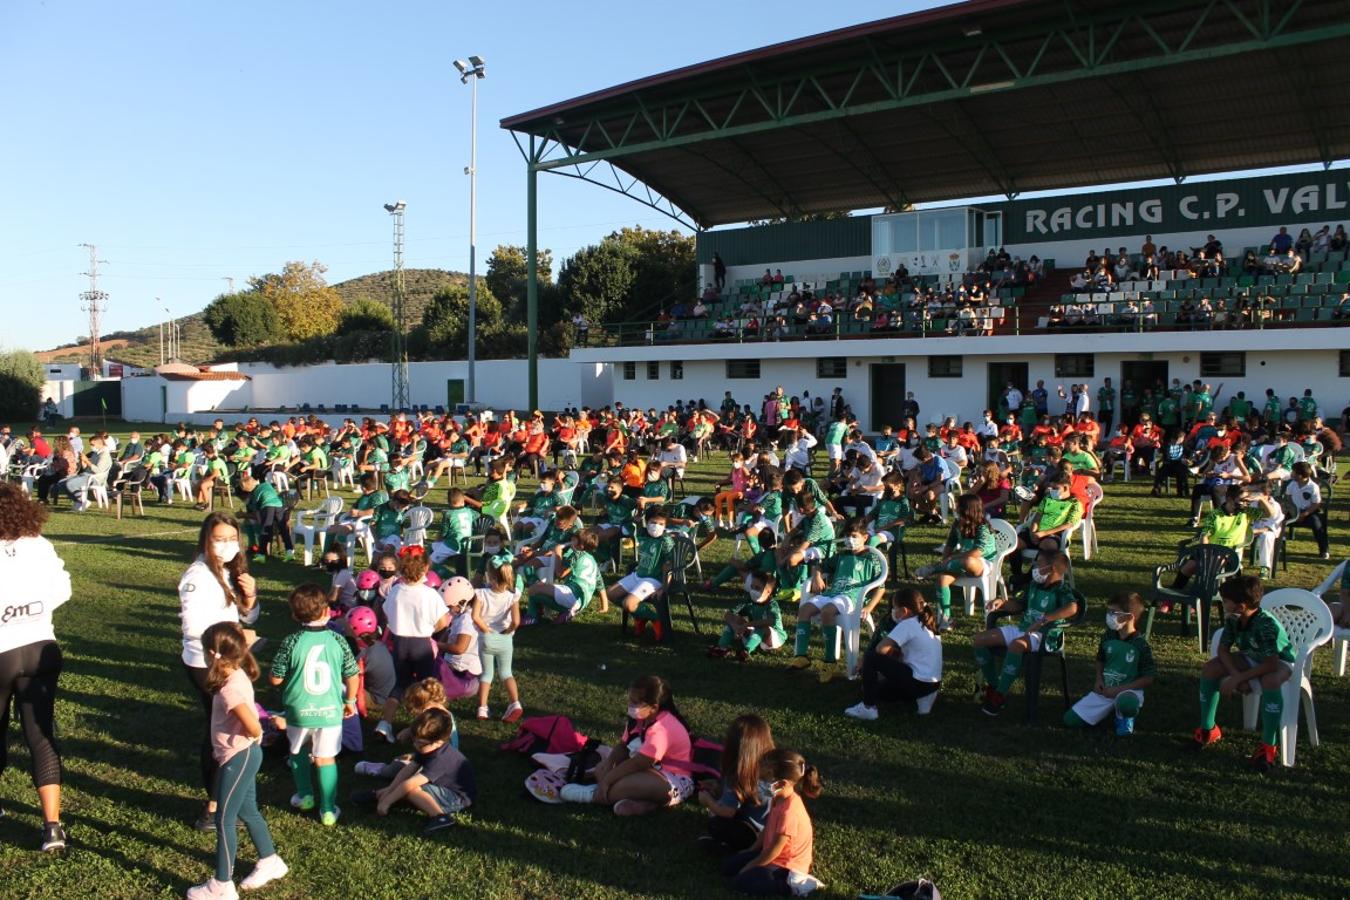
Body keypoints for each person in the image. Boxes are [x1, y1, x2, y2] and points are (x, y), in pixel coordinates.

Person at [190, 622, 287, 898]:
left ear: (212, 653)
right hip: (240, 755)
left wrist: (255, 735)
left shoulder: (229, 689)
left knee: (224, 819)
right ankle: (270, 861)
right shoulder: (236, 675)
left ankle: (221, 885)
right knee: (247, 811)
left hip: (239, 757)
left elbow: (253, 725)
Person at [0, 482, 71, 852]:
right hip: (41, 645)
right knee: (41, 736)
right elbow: (63, 589)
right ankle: (53, 827)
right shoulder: (39, 544)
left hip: (2, 650)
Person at [179, 512, 259, 833]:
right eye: (219, 539)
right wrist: (236, 641)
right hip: (207, 664)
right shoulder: (197, 578)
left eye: (231, 539)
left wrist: (251, 595)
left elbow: (247, 615)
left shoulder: (226, 570)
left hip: (228, 659)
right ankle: (213, 807)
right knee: (222, 733)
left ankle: (225, 799)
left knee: (225, 729)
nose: (227, 545)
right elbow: (195, 630)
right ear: (205, 540)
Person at [268, 584, 360, 827]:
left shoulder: (291, 641)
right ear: (327, 611)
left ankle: (305, 795)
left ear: (295, 615)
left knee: (297, 752)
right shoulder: (338, 640)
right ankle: (328, 809)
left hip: (299, 710)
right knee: (325, 758)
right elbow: (352, 675)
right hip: (330, 710)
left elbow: (275, 678)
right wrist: (349, 700)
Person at [1191, 576, 1295, 773]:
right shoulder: (1233, 619)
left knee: (1270, 680)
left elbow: (1270, 664)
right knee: (1210, 669)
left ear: (1240, 606)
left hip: (1279, 661)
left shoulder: (1265, 625)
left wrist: (1239, 678)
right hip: (1251, 657)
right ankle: (1208, 729)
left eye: (1225, 601)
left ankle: (1268, 746)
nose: (1223, 603)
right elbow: (1223, 650)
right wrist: (1234, 674)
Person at [555, 675, 695, 816]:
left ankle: (593, 794)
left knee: (625, 785)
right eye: (630, 700)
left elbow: (639, 763)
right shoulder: (639, 719)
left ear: (653, 707)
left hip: (673, 779)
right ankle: (644, 802)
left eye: (635, 703)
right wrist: (608, 765)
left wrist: (607, 781)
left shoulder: (662, 729)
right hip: (647, 770)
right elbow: (623, 747)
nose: (630, 705)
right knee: (601, 768)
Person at [972, 549, 1077, 717]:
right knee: (979, 640)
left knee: (1016, 646)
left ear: (1053, 569)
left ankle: (1000, 696)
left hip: (1044, 636)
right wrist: (1003, 603)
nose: (1034, 567)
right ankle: (994, 685)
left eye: (1039, 564)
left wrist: (1044, 620)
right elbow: (1019, 605)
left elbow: (1072, 608)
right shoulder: (1034, 585)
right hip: (1023, 629)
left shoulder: (1062, 590)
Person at [789, 518, 884, 681]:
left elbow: (880, 588)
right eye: (847, 536)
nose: (849, 540)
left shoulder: (872, 559)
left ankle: (829, 661)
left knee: (827, 612)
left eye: (854, 536)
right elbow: (819, 566)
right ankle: (802, 656)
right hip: (832, 593)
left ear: (865, 537)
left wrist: (869, 607)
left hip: (851, 598)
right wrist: (817, 576)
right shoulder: (841, 555)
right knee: (804, 609)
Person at [720, 749, 822, 896]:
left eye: (764, 779)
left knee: (740, 882)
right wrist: (751, 851)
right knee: (728, 868)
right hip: (770, 856)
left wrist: (750, 865)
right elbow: (767, 829)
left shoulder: (790, 813)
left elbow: (774, 851)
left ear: (782, 783)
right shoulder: (777, 799)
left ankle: (789, 887)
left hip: (786, 868)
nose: (760, 782)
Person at [375, 547, 451, 743]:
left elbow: (387, 613)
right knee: (428, 685)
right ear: (426, 567)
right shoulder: (430, 594)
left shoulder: (396, 591)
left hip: (399, 643)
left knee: (400, 684)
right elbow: (443, 622)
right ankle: (428, 725)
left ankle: (385, 724)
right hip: (421, 644)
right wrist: (430, 629)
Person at [360, 707, 475, 834]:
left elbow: (410, 784)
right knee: (404, 788)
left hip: (456, 798)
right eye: (414, 741)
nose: (416, 746)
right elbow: (410, 768)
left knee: (412, 790)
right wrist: (390, 789)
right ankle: (379, 794)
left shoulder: (441, 758)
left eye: (421, 743)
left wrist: (386, 802)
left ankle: (440, 816)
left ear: (438, 742)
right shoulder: (428, 748)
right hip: (439, 786)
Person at [1063, 592, 1156, 735]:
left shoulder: (1141, 645)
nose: (1109, 615)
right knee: (1070, 720)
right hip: (1105, 691)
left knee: (1127, 704)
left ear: (1129, 617)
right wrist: (1099, 680)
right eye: (1108, 611)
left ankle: (1124, 717)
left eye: (1114, 612)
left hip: (1128, 691)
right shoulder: (1108, 636)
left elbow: (1148, 678)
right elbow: (1100, 659)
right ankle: (1107, 710)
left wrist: (1119, 690)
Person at [844, 588, 943, 720]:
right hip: (932, 684)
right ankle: (923, 701)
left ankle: (868, 707)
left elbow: (880, 649)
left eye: (894, 608)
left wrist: (894, 656)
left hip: (916, 683)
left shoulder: (907, 624)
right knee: (880, 690)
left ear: (904, 611)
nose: (893, 611)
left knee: (871, 657)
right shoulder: (928, 623)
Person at [696, 714, 775, 855]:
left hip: (752, 835)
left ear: (733, 747)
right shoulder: (773, 769)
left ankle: (728, 848)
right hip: (773, 832)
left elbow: (727, 812)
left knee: (716, 822)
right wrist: (718, 787)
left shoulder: (738, 775)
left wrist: (708, 802)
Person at [916, 494, 996, 632]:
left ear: (968, 510)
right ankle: (946, 619)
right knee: (942, 580)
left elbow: (978, 552)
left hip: (982, 563)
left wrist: (953, 558)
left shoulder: (983, 527)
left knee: (968, 561)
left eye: (959, 507)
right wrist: (947, 558)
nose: (956, 509)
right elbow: (950, 545)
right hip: (959, 562)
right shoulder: (958, 524)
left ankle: (935, 568)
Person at [604, 507, 674, 639]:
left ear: (665, 525)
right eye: (653, 522)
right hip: (637, 575)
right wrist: (634, 520)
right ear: (647, 522)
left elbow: (669, 566)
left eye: (661, 524)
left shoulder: (666, 541)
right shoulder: (642, 533)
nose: (656, 527)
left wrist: (664, 588)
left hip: (653, 580)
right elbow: (626, 528)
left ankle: (657, 620)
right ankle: (642, 616)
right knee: (610, 593)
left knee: (628, 604)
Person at [472, 553, 523, 723]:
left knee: (486, 674)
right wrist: (508, 632)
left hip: (486, 638)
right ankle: (515, 703)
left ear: (490, 576)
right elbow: (516, 621)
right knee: (506, 672)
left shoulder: (480, 594)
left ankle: (482, 708)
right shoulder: (512, 596)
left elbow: (475, 617)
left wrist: (486, 630)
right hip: (505, 639)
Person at [709, 570, 787, 661]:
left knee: (762, 627)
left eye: (757, 588)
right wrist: (736, 627)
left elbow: (770, 621)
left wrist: (745, 625)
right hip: (754, 633)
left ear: (768, 592)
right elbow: (728, 614)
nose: (753, 590)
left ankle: (746, 651)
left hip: (773, 638)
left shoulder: (772, 605)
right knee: (734, 620)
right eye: (752, 587)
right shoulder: (749, 600)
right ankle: (722, 648)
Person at [1286, 461, 1330, 559]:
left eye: (1293, 472)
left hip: (1308, 513)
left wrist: (1304, 514)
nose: (1291, 473)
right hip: (1293, 511)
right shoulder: (1292, 484)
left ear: (1300, 475)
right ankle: (1275, 544)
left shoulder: (1313, 487)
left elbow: (1316, 503)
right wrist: (1294, 513)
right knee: (1278, 520)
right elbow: (1288, 498)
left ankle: (1324, 550)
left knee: (1317, 525)